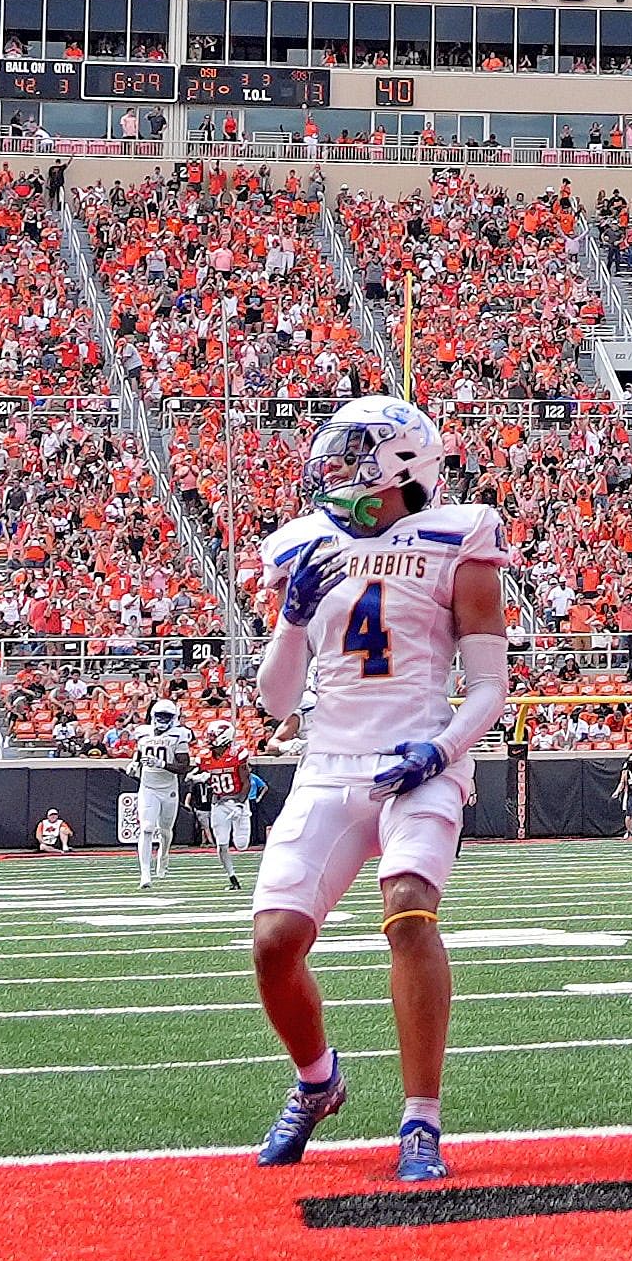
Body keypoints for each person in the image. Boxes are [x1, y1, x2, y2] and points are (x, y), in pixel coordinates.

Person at [243, 393, 512, 1185]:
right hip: (329, 762)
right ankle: (318, 1080)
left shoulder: (456, 536)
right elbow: (275, 701)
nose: (332, 464)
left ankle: (421, 1120)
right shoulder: (304, 546)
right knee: (272, 945)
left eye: (353, 450)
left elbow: (490, 684)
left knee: (408, 910)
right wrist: (291, 623)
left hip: (418, 757)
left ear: (398, 466)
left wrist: (442, 750)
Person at [129, 708, 187, 891]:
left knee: (165, 830)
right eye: (160, 716)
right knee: (146, 828)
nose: (162, 720)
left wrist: (161, 764)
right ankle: (145, 873)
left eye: (167, 716)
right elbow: (139, 751)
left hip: (168, 788)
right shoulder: (142, 732)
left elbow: (183, 766)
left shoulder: (180, 735)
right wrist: (134, 763)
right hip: (148, 787)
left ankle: (164, 854)